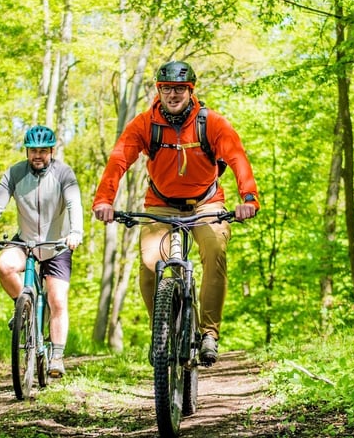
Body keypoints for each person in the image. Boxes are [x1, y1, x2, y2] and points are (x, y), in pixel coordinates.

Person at [92, 60, 259, 365]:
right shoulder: (145, 124)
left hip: (206, 203)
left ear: (190, 91)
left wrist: (248, 197)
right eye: (167, 88)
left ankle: (208, 333)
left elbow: (236, 157)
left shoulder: (211, 123)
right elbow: (119, 160)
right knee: (148, 265)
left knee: (215, 248)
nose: (173, 94)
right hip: (161, 202)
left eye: (180, 89)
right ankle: (165, 330)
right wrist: (104, 200)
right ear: (159, 90)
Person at [0, 125, 84, 378]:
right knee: (4, 266)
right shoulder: (15, 173)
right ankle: (22, 307)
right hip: (25, 241)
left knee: (57, 299)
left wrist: (76, 232)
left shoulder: (64, 173)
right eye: (33, 150)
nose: (38, 155)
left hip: (58, 245)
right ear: (27, 152)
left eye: (43, 151)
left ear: (51, 151)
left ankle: (56, 356)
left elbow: (74, 204)